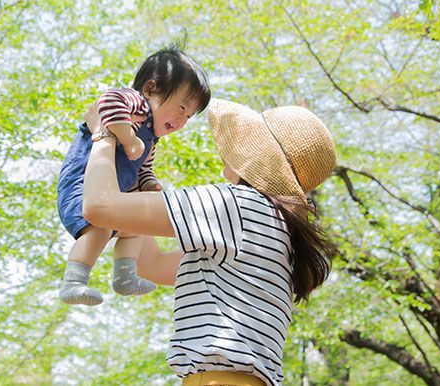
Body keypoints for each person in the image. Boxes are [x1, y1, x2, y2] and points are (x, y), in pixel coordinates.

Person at [81, 98, 338, 386]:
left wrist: (103, 135)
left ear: (256, 155)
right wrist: (136, 178)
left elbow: (98, 206)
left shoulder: (237, 205)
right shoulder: (279, 231)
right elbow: (151, 264)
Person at [57, 45, 211, 306]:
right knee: (100, 229)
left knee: (138, 226)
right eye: (181, 107)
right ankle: (74, 281)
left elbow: (143, 168)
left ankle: (125, 276)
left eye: (188, 116)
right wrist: (128, 138)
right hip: (82, 187)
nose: (182, 119)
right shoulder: (137, 105)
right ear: (151, 89)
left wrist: (149, 183)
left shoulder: (151, 139)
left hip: (113, 196)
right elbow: (107, 102)